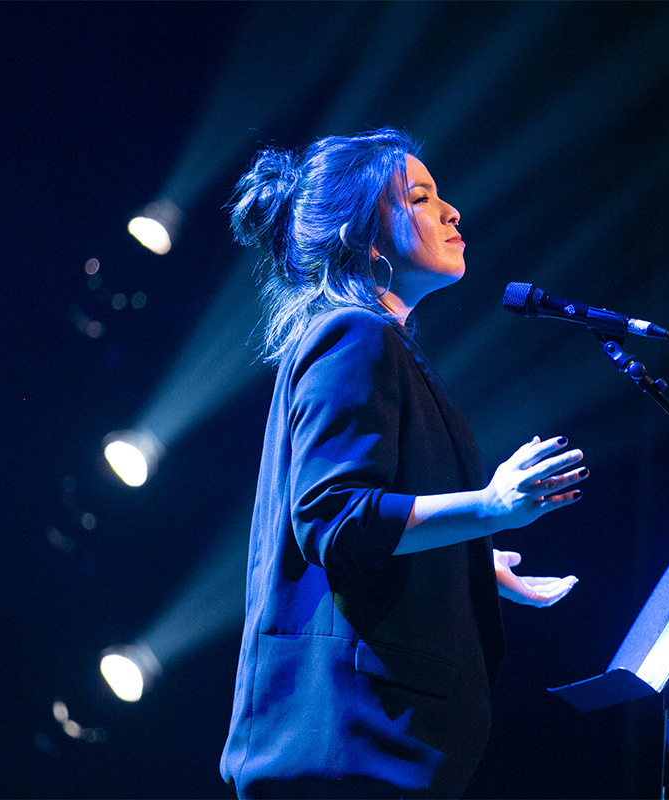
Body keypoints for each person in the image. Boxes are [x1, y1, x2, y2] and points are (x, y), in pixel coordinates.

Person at [220, 128, 589, 799]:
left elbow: (364, 525)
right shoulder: (353, 333)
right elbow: (338, 521)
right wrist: (492, 507)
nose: (452, 212)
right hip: (352, 745)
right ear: (366, 239)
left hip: (372, 750)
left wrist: (471, 560)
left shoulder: (379, 342)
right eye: (421, 198)